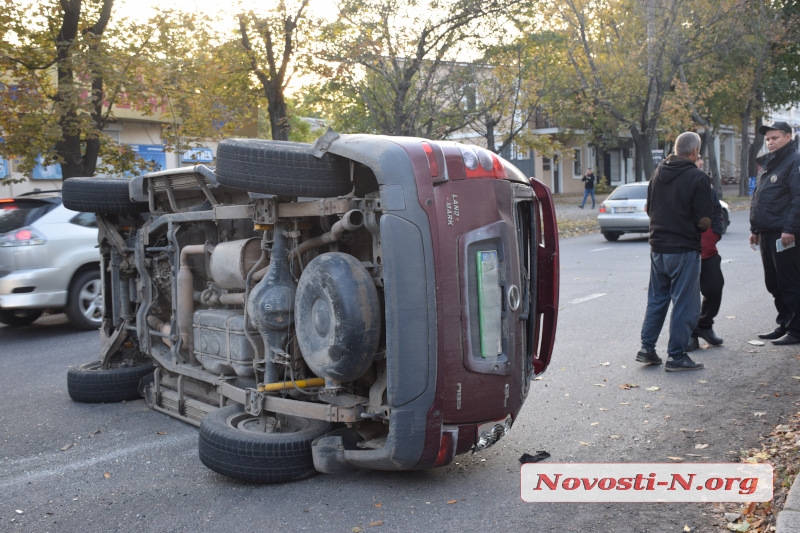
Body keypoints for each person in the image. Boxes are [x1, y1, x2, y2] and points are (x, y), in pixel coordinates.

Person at [636, 131, 713, 371]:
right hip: (683, 248)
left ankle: (647, 349)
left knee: (657, 300)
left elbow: (649, 208)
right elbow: (704, 220)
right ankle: (676, 356)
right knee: (685, 304)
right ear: (694, 152)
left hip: (658, 247)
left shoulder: (657, 173)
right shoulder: (698, 178)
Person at [749, 121, 800, 345]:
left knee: (790, 282)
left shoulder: (794, 161)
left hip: (784, 234)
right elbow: (760, 198)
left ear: (788, 137)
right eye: (768, 139)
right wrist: (755, 229)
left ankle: (797, 330)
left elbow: (798, 198)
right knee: (774, 283)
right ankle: (784, 323)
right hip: (767, 233)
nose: (770, 142)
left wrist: (790, 229)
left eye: (775, 138)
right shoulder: (770, 163)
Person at [688, 156, 725, 351]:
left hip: (709, 251)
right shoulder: (681, 183)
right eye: (699, 159)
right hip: (687, 251)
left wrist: (715, 233)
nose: (702, 163)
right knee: (688, 296)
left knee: (714, 289)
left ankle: (704, 325)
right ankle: (690, 334)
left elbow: (717, 211)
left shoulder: (705, 185)